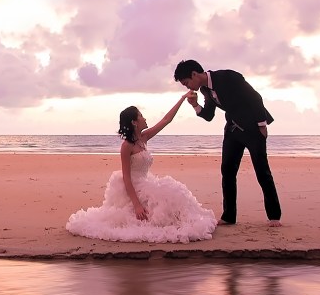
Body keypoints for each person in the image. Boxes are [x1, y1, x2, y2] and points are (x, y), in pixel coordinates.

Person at [65, 92, 217, 244]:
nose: (145, 118)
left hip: (146, 182)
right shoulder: (126, 146)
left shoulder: (144, 137)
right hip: (133, 187)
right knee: (159, 206)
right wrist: (137, 205)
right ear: (134, 122)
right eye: (141, 116)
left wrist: (183, 99)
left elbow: (166, 120)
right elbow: (126, 177)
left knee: (174, 194)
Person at [173, 59, 282, 227]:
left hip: (253, 128)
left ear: (194, 74)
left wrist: (262, 124)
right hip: (232, 130)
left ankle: (274, 216)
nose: (188, 88)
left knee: (262, 171)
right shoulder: (205, 90)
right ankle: (229, 216)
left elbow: (255, 97)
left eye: (187, 83)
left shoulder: (228, 77)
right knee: (227, 171)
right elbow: (209, 115)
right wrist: (195, 106)